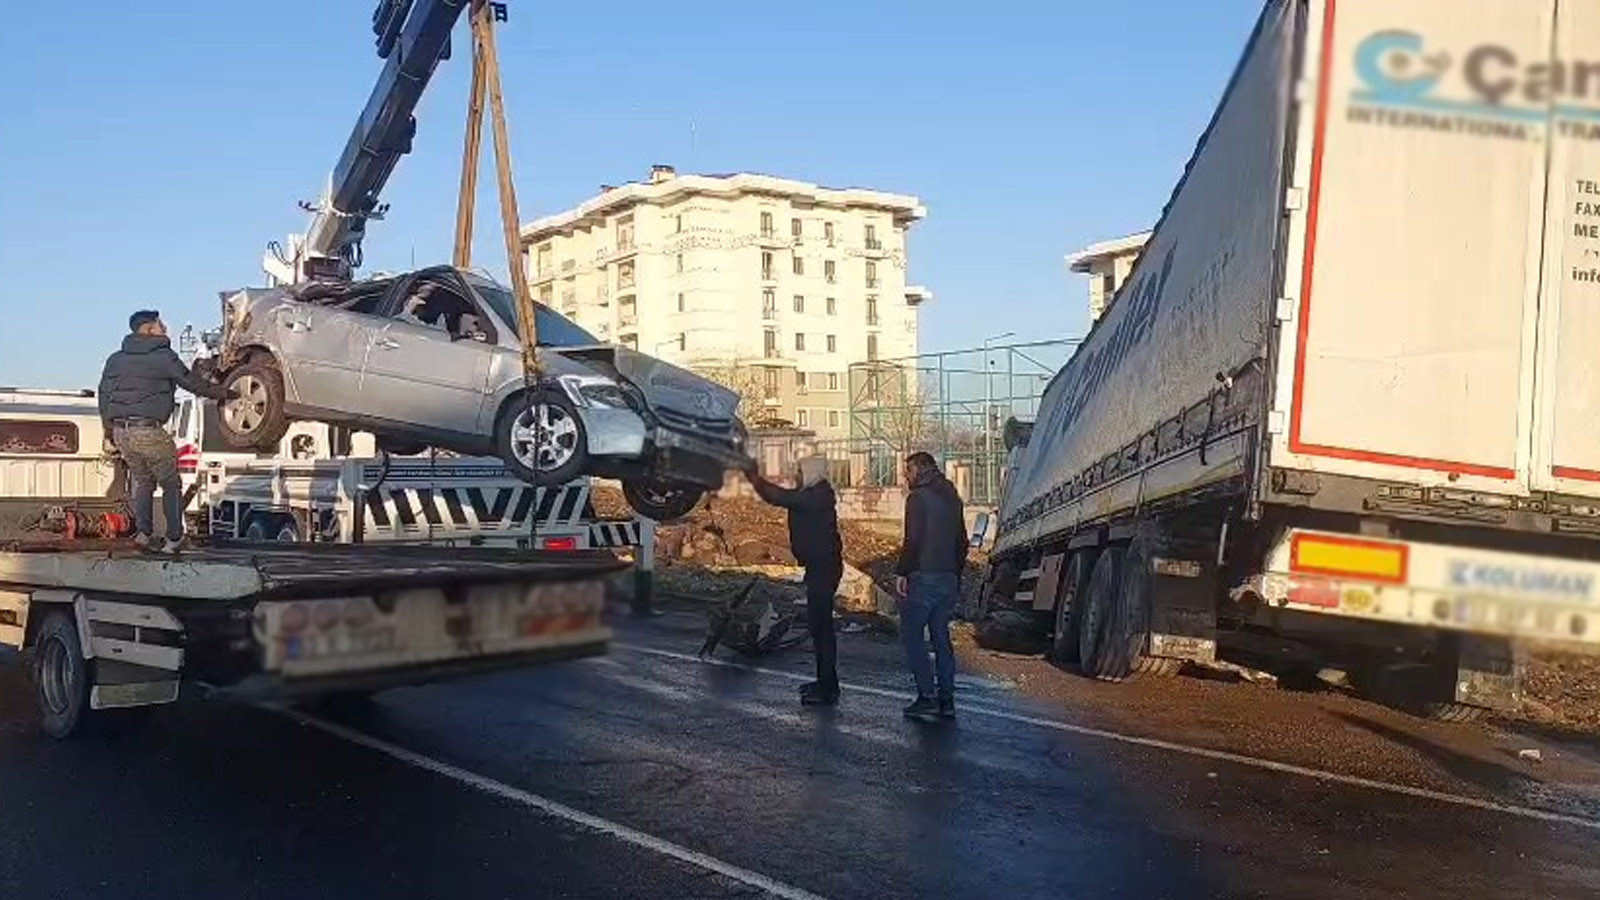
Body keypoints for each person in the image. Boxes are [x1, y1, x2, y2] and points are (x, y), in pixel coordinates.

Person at [98, 309, 233, 552]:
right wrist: (228, 394)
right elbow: (192, 383)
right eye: (161, 325)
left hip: (121, 432)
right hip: (148, 430)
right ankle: (174, 538)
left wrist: (109, 431)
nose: (166, 328)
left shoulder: (115, 359)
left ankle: (143, 535)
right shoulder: (163, 356)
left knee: (143, 481)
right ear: (149, 329)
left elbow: (104, 395)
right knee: (171, 483)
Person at [744, 456, 844, 705]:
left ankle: (828, 687)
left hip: (824, 568)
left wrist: (753, 477)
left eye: (799, 471)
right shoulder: (814, 494)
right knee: (817, 627)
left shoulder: (816, 496)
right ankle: (824, 682)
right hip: (819, 567)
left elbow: (778, 496)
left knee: (821, 628)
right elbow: (783, 496)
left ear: (810, 472)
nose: (796, 475)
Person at [895, 451, 969, 722]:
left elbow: (912, 540)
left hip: (923, 576)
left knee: (913, 636)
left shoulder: (917, 499)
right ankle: (946, 700)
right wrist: (955, 572)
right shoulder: (952, 498)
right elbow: (962, 541)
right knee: (941, 638)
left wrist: (903, 572)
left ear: (922, 470)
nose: (906, 475)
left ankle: (926, 697)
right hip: (947, 577)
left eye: (909, 470)